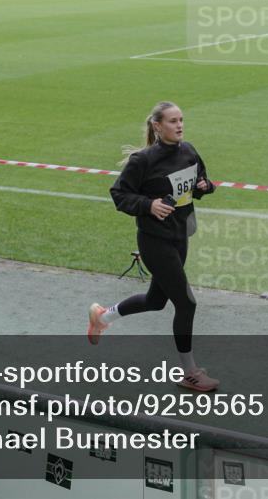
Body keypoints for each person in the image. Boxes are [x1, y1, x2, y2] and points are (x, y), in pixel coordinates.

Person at [88, 101, 219, 392]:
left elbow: (203, 183)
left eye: (182, 119)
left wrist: (204, 187)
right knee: (186, 302)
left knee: (156, 301)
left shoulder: (189, 151)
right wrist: (149, 205)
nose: (180, 125)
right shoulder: (143, 160)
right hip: (154, 241)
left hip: (180, 235)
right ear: (157, 126)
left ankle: (102, 316)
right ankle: (190, 373)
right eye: (172, 121)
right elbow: (119, 194)